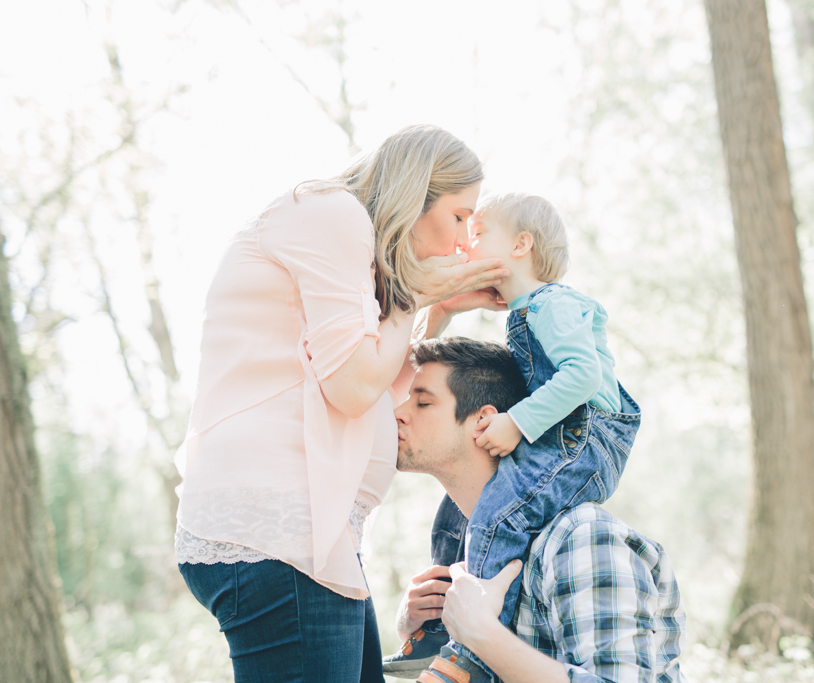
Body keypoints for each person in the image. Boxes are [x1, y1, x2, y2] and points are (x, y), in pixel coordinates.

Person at [173, 125, 509, 683]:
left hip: (311, 540)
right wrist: (418, 297)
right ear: (414, 192)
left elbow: (376, 385)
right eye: (457, 217)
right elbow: (352, 389)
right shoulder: (333, 216)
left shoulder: (348, 242)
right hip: (278, 536)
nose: (460, 244)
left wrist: (438, 310)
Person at [386, 193, 642, 681]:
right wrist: (439, 309)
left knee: (499, 514)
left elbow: (583, 375)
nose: (466, 243)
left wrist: (519, 422)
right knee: (474, 519)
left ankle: (470, 654)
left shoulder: (581, 540)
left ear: (522, 243)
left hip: (590, 434)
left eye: (477, 232)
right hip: (564, 429)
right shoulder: (526, 312)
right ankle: (443, 638)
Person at [392, 337, 686, 683]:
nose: (398, 413)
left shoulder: (583, 539)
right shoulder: (466, 541)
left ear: (482, 421)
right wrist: (413, 628)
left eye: (423, 402)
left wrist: (481, 633)